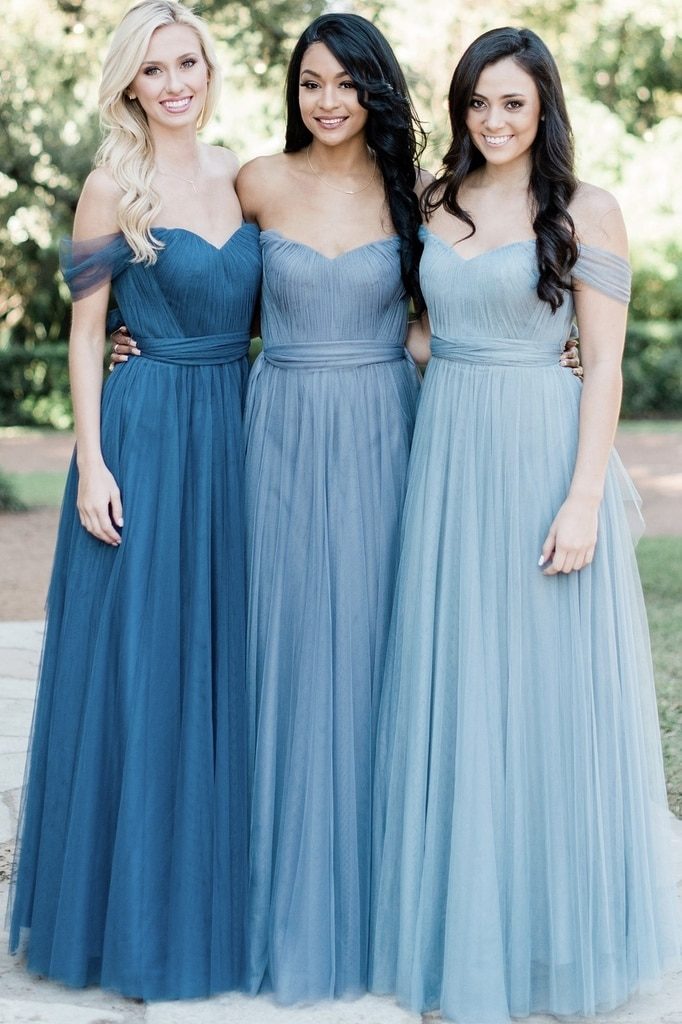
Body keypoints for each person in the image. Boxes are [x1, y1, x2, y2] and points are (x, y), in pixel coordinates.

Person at [371, 26, 680, 1023]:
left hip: (545, 460)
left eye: (512, 102)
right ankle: (462, 932)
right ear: (459, 110)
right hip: (449, 458)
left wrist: (585, 494)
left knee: (541, 697)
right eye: (477, 103)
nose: (493, 120)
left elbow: (604, 364)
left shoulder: (589, 209)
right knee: (460, 685)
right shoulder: (430, 201)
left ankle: (549, 937)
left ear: (543, 108)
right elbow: (415, 327)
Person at [8, 0, 260, 999]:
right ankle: (134, 920)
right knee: (141, 665)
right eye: (154, 70)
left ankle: (218, 896)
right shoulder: (113, 185)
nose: (174, 83)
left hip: (238, 428)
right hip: (146, 432)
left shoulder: (245, 175)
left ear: (208, 70)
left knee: (221, 661)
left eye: (187, 62)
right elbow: (84, 333)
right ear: (129, 85)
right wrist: (96, 458)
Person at [236, 13, 425, 1002]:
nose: (328, 100)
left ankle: (377, 905)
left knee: (367, 655)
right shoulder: (255, 182)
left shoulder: (416, 199)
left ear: (375, 92)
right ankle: (265, 902)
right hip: (271, 434)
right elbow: (197, 279)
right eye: (311, 81)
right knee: (277, 651)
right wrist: (135, 341)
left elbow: (454, 319)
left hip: (379, 436)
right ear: (293, 90)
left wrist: (559, 353)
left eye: (347, 82)